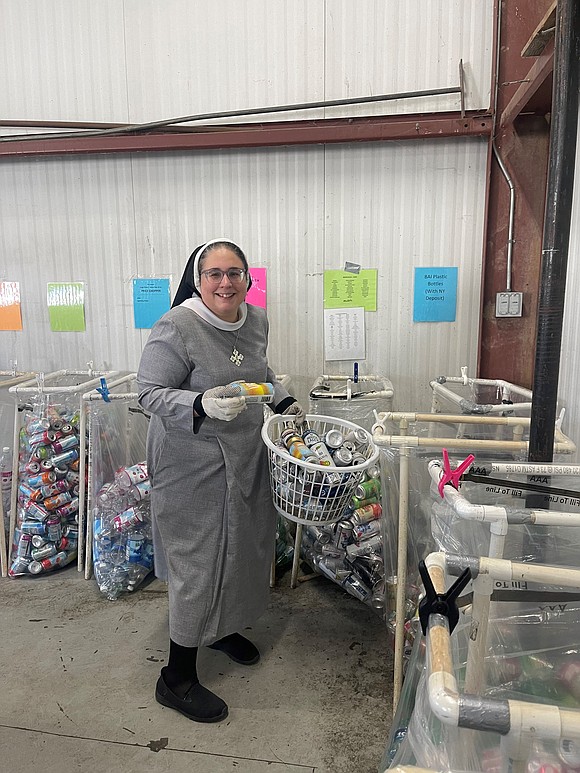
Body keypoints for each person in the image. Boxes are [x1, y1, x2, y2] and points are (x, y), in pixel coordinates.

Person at [137, 238, 305, 723]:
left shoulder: (256, 321)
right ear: (197, 278)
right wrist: (197, 403)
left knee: (242, 549)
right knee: (199, 562)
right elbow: (147, 392)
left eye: (235, 273)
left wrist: (282, 399)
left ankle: (222, 627)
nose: (225, 282)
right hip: (191, 463)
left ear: (249, 280)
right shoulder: (179, 326)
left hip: (245, 453)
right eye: (214, 273)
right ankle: (177, 678)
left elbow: (259, 371)